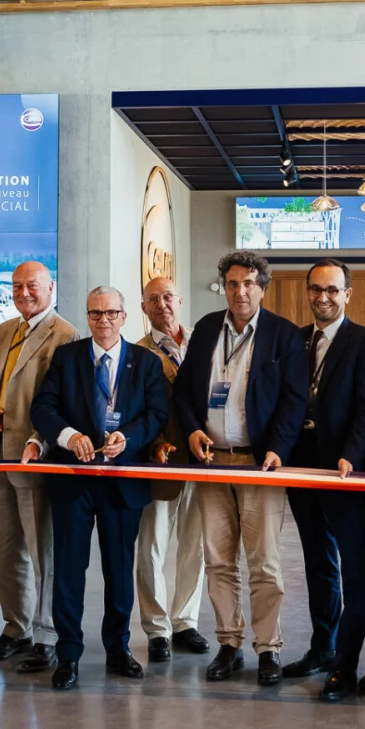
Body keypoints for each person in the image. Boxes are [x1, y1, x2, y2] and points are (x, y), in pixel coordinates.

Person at [175, 250, 307, 685]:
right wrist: (193, 429)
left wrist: (279, 449)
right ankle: (228, 643)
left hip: (259, 463)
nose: (240, 291)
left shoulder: (284, 335)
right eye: (232, 284)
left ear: (262, 288)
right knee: (218, 561)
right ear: (224, 287)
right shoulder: (206, 330)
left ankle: (268, 648)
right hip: (212, 462)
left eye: (249, 283)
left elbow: (294, 400)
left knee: (264, 563)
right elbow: (184, 391)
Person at [26, 287, 168, 690]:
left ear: (125, 317)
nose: (103, 320)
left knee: (119, 569)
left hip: (122, 480)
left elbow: (157, 413)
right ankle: (68, 654)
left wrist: (130, 437)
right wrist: (68, 436)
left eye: (111, 313)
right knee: (69, 569)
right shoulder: (67, 357)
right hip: (74, 480)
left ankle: (118, 649)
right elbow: (43, 407)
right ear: (87, 317)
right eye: (95, 313)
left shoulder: (146, 363)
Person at [283, 261, 365, 701]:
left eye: (332, 290)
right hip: (300, 466)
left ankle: (345, 664)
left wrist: (353, 456)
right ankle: (322, 647)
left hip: (344, 469)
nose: (323, 297)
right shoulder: (296, 339)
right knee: (318, 564)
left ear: (348, 293)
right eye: (316, 289)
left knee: (355, 570)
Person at [0, 261, 76, 673]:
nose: (24, 292)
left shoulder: (64, 334)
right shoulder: (4, 331)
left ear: (51, 286)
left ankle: (47, 634)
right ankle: (16, 628)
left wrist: (38, 439)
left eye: (32, 285)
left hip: (36, 459)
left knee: (42, 552)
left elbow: (60, 400)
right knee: (5, 551)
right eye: (17, 286)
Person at [132, 276, 209, 662]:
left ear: (180, 300)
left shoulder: (206, 342)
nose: (162, 304)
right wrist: (154, 444)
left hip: (205, 461)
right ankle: (157, 627)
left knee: (194, 546)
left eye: (167, 297)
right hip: (158, 459)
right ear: (143, 308)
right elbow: (135, 410)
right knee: (152, 547)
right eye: (152, 299)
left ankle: (185, 622)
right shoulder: (135, 353)